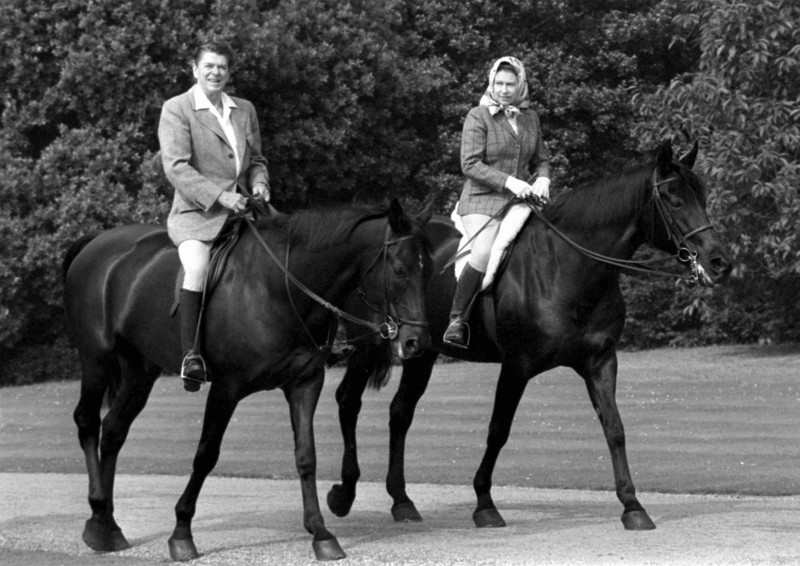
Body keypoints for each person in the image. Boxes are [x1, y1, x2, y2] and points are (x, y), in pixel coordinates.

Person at [158, 41, 270, 391]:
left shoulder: (244, 109)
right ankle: (191, 355)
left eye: (221, 67)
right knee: (197, 267)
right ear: (195, 69)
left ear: (228, 72)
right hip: (198, 214)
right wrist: (221, 196)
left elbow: (256, 161)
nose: (215, 72)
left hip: (246, 211)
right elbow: (176, 167)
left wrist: (260, 184)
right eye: (208, 66)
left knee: (290, 251)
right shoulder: (177, 108)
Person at [443, 56, 550, 348]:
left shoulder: (531, 118)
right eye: (499, 83)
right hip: (481, 200)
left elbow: (541, 159)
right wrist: (508, 181)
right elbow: (470, 164)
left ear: (521, 85)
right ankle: (457, 320)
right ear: (492, 83)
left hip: (520, 199)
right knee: (484, 250)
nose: (503, 89)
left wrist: (543, 178)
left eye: (510, 84)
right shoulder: (478, 116)